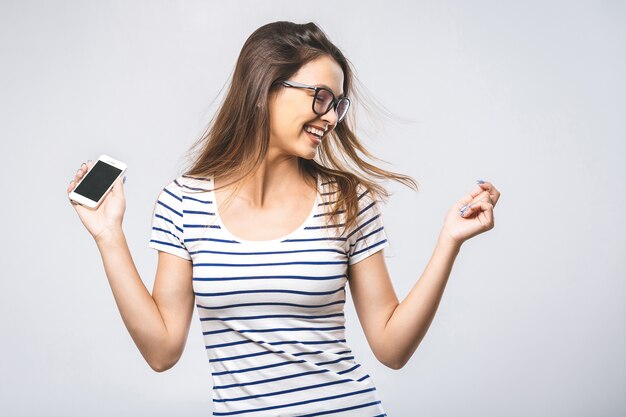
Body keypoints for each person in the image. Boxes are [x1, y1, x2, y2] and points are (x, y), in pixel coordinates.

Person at [67, 21, 500, 417]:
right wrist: (109, 237)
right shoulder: (184, 202)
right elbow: (161, 351)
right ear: (266, 87)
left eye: (338, 104)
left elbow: (392, 347)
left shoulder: (347, 201)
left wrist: (449, 241)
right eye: (321, 97)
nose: (330, 117)